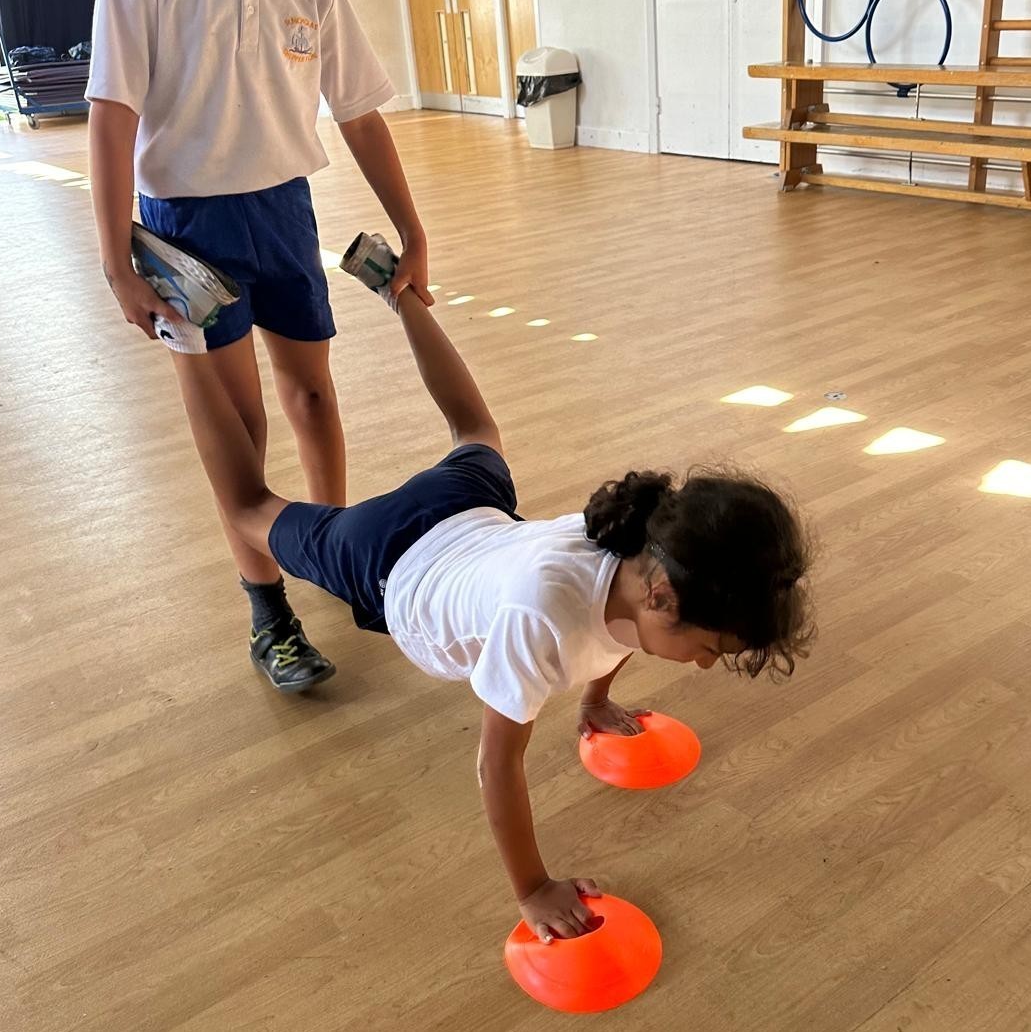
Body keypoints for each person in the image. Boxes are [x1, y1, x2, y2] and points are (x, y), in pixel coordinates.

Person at [177, 230, 816, 943]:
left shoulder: (636, 547)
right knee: (248, 506)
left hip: (467, 503)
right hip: (386, 561)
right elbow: (496, 764)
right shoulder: (541, 622)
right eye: (709, 649)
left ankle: (396, 286)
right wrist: (533, 888)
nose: (701, 664)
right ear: (662, 595)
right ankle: (183, 333)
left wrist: (595, 702)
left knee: (474, 427)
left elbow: (621, 634)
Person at [86, 0, 432, 691]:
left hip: (283, 211)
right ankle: (268, 609)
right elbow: (111, 118)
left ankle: (337, 554)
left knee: (313, 396)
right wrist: (115, 259)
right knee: (241, 432)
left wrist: (412, 229)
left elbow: (358, 113)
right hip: (185, 229)